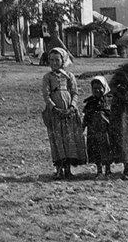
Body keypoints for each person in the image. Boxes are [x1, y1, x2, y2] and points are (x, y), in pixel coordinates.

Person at [41, 47, 86, 180]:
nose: (54, 63)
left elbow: (75, 93)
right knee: (58, 140)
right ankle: (59, 168)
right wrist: (54, 108)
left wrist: (72, 106)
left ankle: (68, 169)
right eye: (51, 60)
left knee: (69, 139)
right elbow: (46, 94)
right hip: (55, 114)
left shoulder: (69, 76)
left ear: (63, 60)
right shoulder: (47, 77)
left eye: (57, 60)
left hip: (69, 113)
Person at [83, 75, 114, 179]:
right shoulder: (90, 102)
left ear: (104, 87)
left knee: (107, 149)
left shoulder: (110, 101)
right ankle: (99, 170)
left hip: (106, 131)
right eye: (94, 88)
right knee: (95, 150)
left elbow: (113, 115)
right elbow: (86, 116)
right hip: (93, 131)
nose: (97, 90)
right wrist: (83, 126)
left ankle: (108, 170)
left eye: (99, 88)